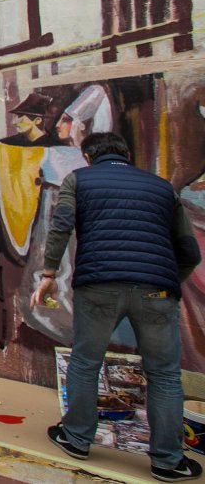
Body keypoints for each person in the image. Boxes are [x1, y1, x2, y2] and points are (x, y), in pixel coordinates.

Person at [30, 132, 201, 482]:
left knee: (85, 361)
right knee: (165, 374)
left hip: (99, 285)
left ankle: (76, 438)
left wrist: (48, 273)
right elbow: (189, 250)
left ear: (88, 157)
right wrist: (168, 280)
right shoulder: (162, 187)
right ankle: (168, 461)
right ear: (127, 154)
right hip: (157, 290)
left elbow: (61, 227)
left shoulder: (78, 180)